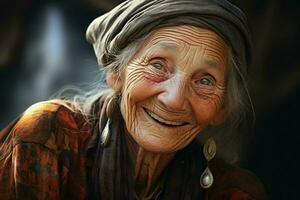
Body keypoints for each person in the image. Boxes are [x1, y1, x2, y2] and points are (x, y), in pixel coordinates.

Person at [0, 0, 267, 199]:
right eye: (158, 65)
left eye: (205, 81)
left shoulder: (234, 191)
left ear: (222, 108)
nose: (174, 100)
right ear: (116, 73)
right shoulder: (47, 137)